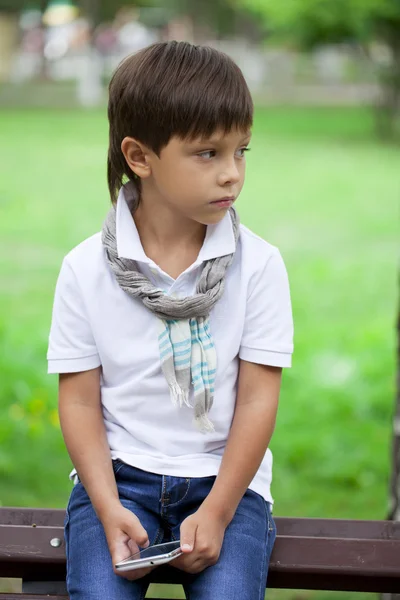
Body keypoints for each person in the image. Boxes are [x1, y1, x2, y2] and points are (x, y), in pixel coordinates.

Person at [47, 41, 294, 600]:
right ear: (140, 157)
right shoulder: (85, 269)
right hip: (117, 478)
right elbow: (80, 401)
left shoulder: (259, 266)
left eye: (242, 151)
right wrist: (107, 508)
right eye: (208, 153)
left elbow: (258, 400)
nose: (233, 174)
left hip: (225, 482)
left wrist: (221, 508)